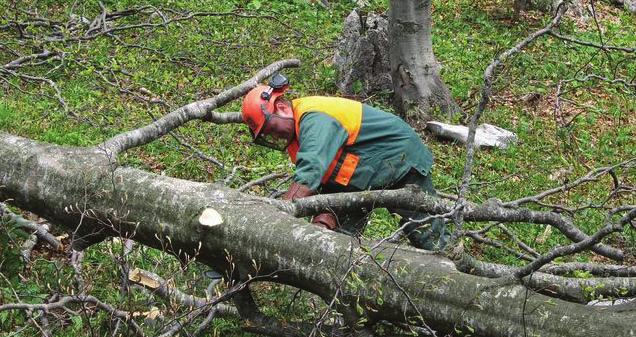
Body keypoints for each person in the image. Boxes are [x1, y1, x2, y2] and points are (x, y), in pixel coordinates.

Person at [241, 74, 449, 250]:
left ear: (281, 108)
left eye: (272, 129)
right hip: (360, 176)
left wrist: (278, 217)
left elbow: (310, 173)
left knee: (427, 234)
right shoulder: (297, 138)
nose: (273, 136)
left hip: (401, 161)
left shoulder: (314, 118)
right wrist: (324, 221)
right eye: (266, 135)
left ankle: (457, 271)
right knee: (336, 244)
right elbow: (327, 183)